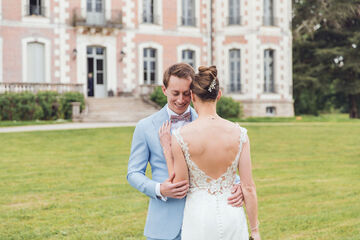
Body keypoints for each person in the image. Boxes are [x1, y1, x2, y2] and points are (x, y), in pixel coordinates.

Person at [127, 63, 245, 240]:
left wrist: (238, 184)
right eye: (175, 93)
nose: (181, 100)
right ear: (164, 89)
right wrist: (160, 189)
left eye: (186, 94)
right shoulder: (145, 127)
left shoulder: (209, 123)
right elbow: (133, 173)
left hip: (204, 221)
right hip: (164, 225)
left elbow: (220, 162)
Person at [159, 66, 261, 240]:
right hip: (232, 214)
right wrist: (255, 231)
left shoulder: (180, 136)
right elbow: (249, 188)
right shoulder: (240, 134)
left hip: (198, 218)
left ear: (192, 97)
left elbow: (180, 186)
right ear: (219, 95)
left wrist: (168, 152)